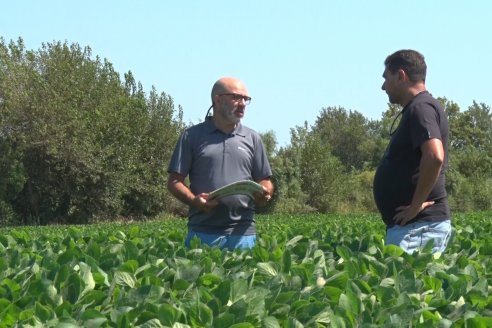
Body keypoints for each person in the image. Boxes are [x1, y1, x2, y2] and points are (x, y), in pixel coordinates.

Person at [167, 77, 274, 250]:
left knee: (246, 278)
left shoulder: (253, 138)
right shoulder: (192, 136)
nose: (242, 104)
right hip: (203, 233)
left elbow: (265, 180)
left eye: (245, 99)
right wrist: (194, 201)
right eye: (236, 97)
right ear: (217, 99)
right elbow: (174, 181)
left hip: (243, 234)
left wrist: (265, 192)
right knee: (202, 278)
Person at [373, 49, 452, 254]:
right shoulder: (419, 107)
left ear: (401, 76)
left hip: (418, 229)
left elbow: (434, 156)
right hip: (415, 229)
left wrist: (415, 206)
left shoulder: (421, 108)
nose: (383, 87)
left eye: (386, 78)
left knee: (408, 286)